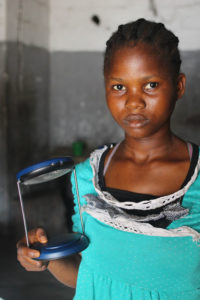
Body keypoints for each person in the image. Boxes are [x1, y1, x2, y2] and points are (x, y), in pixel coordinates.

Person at [17, 18, 200, 299]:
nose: (133, 101)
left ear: (179, 86)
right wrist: (46, 256)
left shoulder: (197, 179)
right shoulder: (85, 177)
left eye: (150, 84)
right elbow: (87, 270)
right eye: (118, 87)